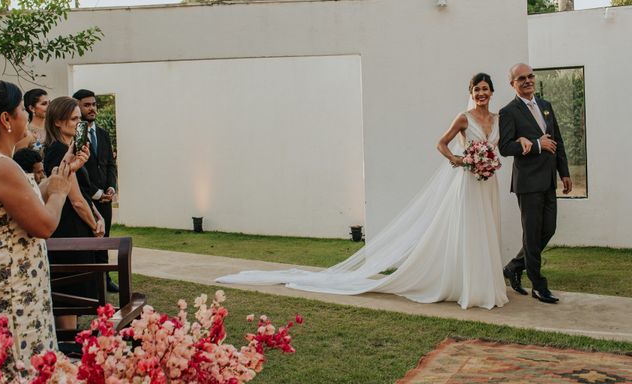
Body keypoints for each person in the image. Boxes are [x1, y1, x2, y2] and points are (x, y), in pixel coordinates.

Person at [218, 73, 514, 310]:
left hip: (487, 183)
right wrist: (460, 160)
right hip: (467, 183)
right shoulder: (463, 118)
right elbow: (441, 143)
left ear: (492, 91)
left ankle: (487, 286)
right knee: (469, 230)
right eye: (477, 89)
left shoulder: (498, 120)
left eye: (486, 89)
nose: (481, 94)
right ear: (471, 92)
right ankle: (469, 288)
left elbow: (498, 147)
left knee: (486, 228)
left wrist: (495, 158)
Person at [0, 80, 86, 374]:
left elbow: (28, 199)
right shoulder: (2, 167)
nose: (28, 116)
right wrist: (59, 193)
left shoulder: (2, 165)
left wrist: (63, 173)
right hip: (15, 293)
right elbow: (43, 225)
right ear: (6, 119)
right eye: (21, 108)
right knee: (24, 368)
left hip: (14, 286)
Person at [499, 63, 571, 304]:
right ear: (513, 84)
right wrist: (536, 144)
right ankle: (538, 285)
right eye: (521, 78)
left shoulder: (545, 106)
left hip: (549, 180)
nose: (528, 80)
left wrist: (564, 172)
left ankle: (513, 266)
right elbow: (505, 147)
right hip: (528, 183)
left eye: (530, 76)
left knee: (548, 229)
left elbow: (557, 140)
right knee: (531, 235)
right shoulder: (508, 111)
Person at [43, 96, 105, 330]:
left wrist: (97, 213)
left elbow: (85, 195)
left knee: (76, 297)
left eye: (80, 119)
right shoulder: (58, 151)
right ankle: (66, 347)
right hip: (69, 228)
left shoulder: (71, 150)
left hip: (76, 225)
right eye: (74, 118)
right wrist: (94, 225)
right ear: (58, 122)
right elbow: (76, 199)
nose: (80, 123)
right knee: (70, 295)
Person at [72, 89, 119, 293]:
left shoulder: (102, 133)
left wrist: (111, 187)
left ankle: (105, 277)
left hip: (105, 198)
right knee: (90, 241)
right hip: (86, 196)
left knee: (105, 238)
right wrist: (96, 192)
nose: (92, 108)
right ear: (78, 106)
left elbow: (110, 164)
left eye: (94, 105)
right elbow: (78, 169)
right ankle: (91, 281)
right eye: (87, 105)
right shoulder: (76, 136)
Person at [14, 88, 49, 154]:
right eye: (44, 104)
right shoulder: (26, 132)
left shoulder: (53, 128)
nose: (49, 106)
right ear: (31, 108)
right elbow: (19, 159)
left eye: (49, 103)